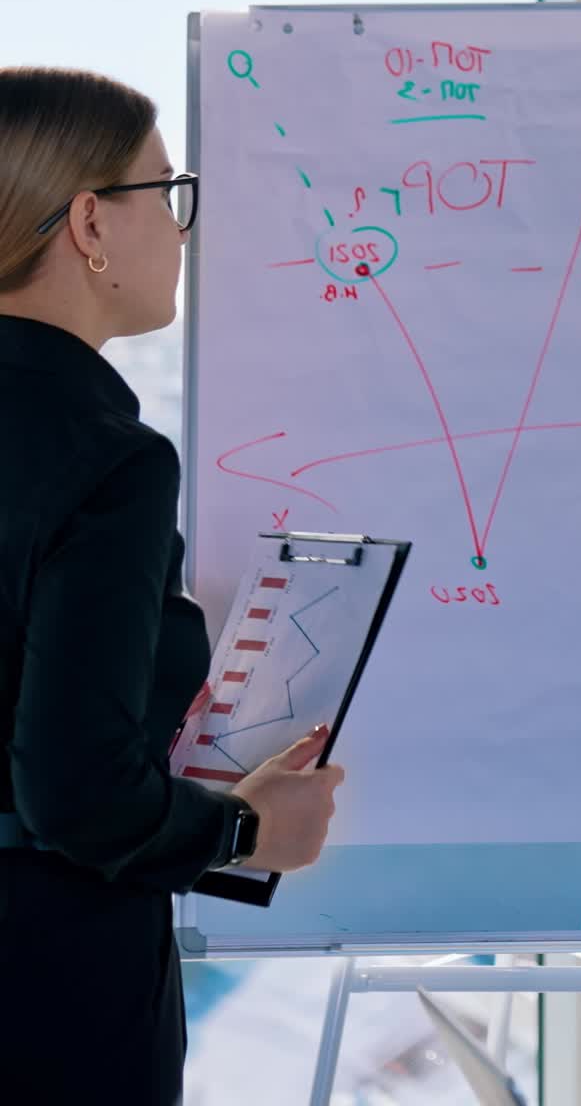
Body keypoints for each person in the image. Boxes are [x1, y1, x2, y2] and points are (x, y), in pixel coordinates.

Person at [0, 68, 346, 1104]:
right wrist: (245, 829)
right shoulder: (105, 458)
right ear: (90, 224)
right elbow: (77, 792)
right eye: (168, 193)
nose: (183, 229)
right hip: (45, 990)